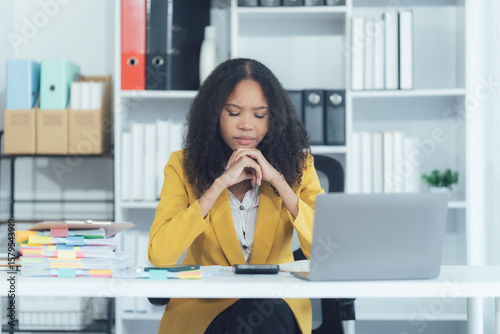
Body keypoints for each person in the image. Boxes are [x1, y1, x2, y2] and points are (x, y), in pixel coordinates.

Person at [148, 58, 324, 334]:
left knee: (256, 310)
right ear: (214, 114)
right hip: (206, 307)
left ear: (273, 118)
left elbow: (324, 251)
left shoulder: (299, 167)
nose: (246, 125)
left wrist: (277, 179)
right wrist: (218, 185)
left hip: (273, 305)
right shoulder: (182, 165)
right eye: (233, 113)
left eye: (259, 114)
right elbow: (161, 256)